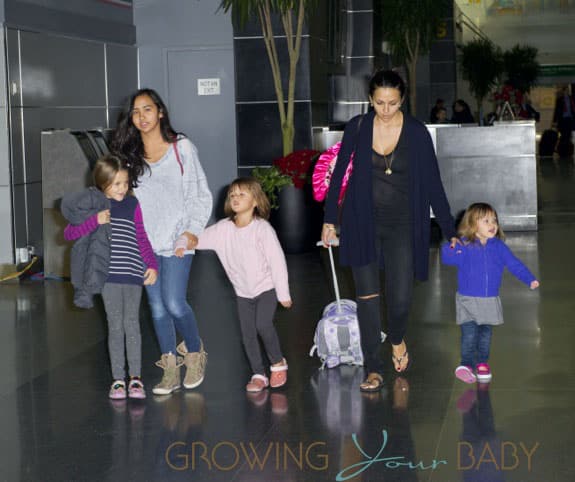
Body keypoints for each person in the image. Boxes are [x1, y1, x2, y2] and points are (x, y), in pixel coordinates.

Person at [321, 69, 458, 393]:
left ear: (402, 100)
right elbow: (339, 173)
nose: (385, 109)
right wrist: (329, 220)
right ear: (370, 99)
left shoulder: (416, 132)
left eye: (392, 103)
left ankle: (396, 339)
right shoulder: (357, 127)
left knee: (399, 299)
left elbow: (433, 183)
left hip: (403, 225)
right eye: (379, 103)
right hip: (361, 223)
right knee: (368, 300)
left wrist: (449, 229)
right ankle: (373, 368)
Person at [111, 88, 213, 396]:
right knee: (156, 308)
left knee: (173, 302)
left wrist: (192, 231)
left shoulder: (182, 148)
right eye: (136, 112)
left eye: (147, 109)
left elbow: (200, 194)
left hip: (179, 239)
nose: (141, 116)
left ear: (160, 112)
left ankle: (194, 353)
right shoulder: (128, 158)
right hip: (145, 243)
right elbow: (121, 198)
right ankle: (169, 365)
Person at [61, 155, 158, 399]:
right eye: (116, 184)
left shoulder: (132, 205)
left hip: (133, 274)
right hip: (108, 277)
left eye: (125, 183)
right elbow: (69, 233)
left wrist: (152, 264)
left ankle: (135, 378)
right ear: (102, 183)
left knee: (132, 324)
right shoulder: (95, 205)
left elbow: (142, 237)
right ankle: (118, 380)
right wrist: (95, 220)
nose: (122, 188)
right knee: (116, 326)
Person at [190, 178, 291, 393]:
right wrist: (182, 242)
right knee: (247, 334)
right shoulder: (223, 229)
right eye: (232, 195)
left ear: (255, 201)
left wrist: (283, 293)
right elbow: (198, 240)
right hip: (242, 292)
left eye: (242, 194)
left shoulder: (262, 229)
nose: (235, 198)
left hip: (266, 288)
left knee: (263, 325)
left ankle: (277, 363)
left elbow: (277, 261)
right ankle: (258, 374)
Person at [441, 202, 539, 384]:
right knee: (469, 334)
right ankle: (466, 365)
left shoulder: (499, 247)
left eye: (494, 220)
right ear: (471, 224)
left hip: (489, 300)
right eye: (486, 221)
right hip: (467, 299)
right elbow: (447, 258)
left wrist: (529, 278)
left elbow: (514, 264)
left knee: (485, 335)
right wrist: (452, 246)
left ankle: (482, 363)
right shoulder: (465, 245)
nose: (492, 224)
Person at [552, 85, 575, 153]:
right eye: (566, 90)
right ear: (563, 91)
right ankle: (561, 149)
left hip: (569, 119)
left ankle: (568, 150)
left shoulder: (571, 99)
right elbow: (556, 111)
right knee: (563, 135)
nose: (567, 92)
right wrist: (554, 121)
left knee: (568, 135)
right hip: (562, 120)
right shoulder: (559, 100)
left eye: (568, 90)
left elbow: (573, 109)